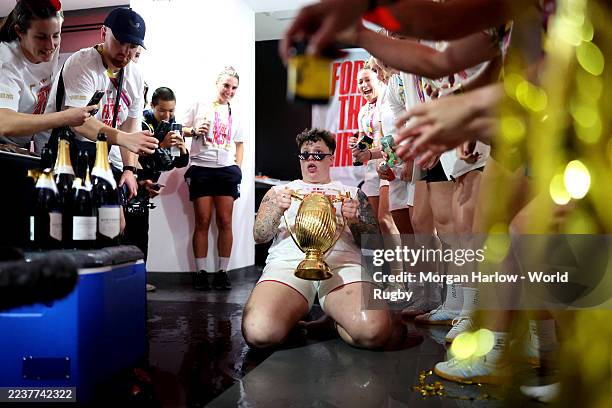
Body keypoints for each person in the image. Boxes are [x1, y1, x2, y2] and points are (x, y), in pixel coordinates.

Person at [243, 128, 391, 349]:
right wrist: (276, 212)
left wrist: (355, 221)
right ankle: (289, 316)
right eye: (305, 154)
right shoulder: (279, 191)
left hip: (342, 266)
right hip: (288, 265)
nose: (311, 158)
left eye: (319, 154)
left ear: (331, 158)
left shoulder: (352, 193)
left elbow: (374, 243)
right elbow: (259, 236)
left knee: (373, 332)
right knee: (260, 333)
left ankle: (334, 320)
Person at [39, 7, 159, 199]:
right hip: (63, 153)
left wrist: (129, 169)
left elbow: (130, 126)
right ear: (104, 33)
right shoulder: (83, 64)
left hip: (101, 155)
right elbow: (79, 122)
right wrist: (123, 138)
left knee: (114, 221)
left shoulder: (134, 75)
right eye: (120, 42)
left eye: (133, 46)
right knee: (72, 221)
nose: (125, 52)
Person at [0, 0, 93, 148]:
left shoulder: (49, 49)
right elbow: (4, 122)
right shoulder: (5, 61)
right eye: (41, 37)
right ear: (19, 32)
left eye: (56, 35)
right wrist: (65, 117)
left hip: (20, 143)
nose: (50, 46)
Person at [183, 66, 244, 291]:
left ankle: (222, 272)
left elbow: (239, 143)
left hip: (227, 170)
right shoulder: (199, 104)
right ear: (217, 84)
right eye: (226, 85)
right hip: (201, 167)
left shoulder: (235, 111)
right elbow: (179, 128)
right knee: (202, 220)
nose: (229, 90)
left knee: (225, 221)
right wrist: (194, 130)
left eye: (234, 87)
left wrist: (238, 168)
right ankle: (201, 272)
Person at [122, 87, 188, 292]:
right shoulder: (140, 123)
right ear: (152, 106)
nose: (167, 115)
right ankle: (123, 279)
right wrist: (161, 144)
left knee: (142, 232)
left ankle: (139, 279)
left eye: (171, 110)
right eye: (162, 111)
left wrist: (183, 148)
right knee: (127, 232)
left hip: (149, 183)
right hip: (132, 179)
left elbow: (177, 163)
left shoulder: (175, 125)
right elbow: (137, 155)